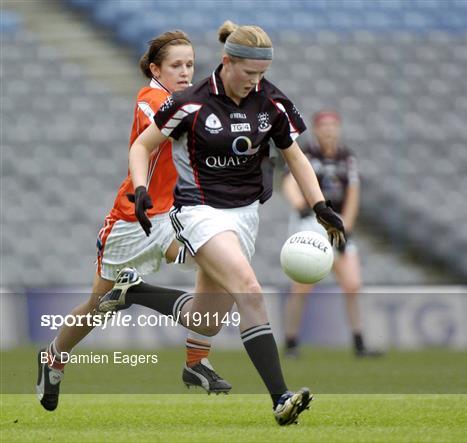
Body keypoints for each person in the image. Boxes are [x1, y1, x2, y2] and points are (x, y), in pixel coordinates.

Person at [98, 20, 346, 426]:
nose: (255, 82)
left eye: (261, 74)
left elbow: (295, 156)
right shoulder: (191, 102)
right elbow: (143, 146)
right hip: (198, 211)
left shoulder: (271, 101)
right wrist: (141, 188)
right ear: (227, 62)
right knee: (249, 289)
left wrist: (320, 205)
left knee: (207, 320)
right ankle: (280, 398)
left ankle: (134, 291)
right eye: (249, 73)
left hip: (245, 214)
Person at [36, 30, 231, 413]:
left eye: (190, 64)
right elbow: (167, 131)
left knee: (222, 263)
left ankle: (197, 361)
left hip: (173, 216)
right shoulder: (150, 100)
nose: (185, 71)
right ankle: (54, 357)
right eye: (176, 65)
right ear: (155, 69)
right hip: (133, 220)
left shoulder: (189, 102)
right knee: (97, 306)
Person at [282, 110, 382, 358]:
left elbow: (353, 193)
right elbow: (289, 182)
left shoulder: (347, 158)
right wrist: (301, 206)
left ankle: (359, 343)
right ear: (316, 129)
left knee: (352, 284)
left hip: (336, 223)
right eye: (324, 126)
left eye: (333, 125)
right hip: (311, 223)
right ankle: (291, 342)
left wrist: (345, 226)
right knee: (302, 287)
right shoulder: (306, 153)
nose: (328, 130)